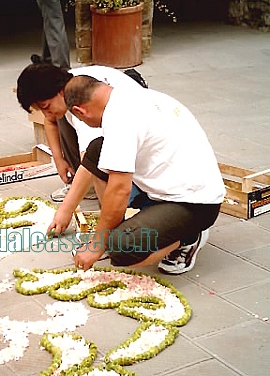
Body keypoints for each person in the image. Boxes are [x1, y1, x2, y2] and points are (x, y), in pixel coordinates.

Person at [47, 75, 225, 275]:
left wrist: (97, 244)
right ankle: (124, 229)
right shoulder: (125, 95)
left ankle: (189, 237)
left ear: (80, 111)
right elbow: (97, 158)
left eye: (80, 119)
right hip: (171, 185)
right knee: (98, 148)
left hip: (195, 203)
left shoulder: (120, 117)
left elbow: (120, 189)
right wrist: (65, 211)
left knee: (122, 246)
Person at [16, 62, 147, 201]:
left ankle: (90, 188)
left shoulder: (80, 98)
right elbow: (50, 121)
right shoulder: (69, 82)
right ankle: (88, 185)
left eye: (46, 107)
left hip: (141, 145)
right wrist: (59, 160)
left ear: (59, 91)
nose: (46, 114)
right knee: (58, 115)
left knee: (103, 172)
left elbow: (90, 156)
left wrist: (70, 204)